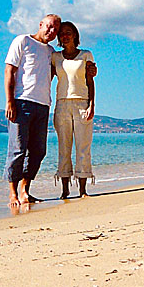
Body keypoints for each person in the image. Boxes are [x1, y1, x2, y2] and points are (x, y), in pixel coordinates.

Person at [3, 14, 60, 209]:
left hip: (43, 105)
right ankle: (12, 192)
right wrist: (10, 101)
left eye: (55, 30)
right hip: (22, 103)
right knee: (18, 149)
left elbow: (56, 71)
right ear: (41, 24)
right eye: (49, 27)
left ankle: (25, 189)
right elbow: (9, 70)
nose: (51, 32)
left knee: (38, 151)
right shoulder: (23, 40)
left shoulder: (51, 52)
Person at [51, 21, 95, 198]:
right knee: (64, 148)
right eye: (62, 33)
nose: (65, 36)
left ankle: (83, 190)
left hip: (82, 103)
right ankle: (64, 190)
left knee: (83, 147)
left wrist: (92, 105)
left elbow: (90, 81)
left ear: (75, 35)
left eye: (68, 32)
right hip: (61, 104)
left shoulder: (85, 55)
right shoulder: (55, 57)